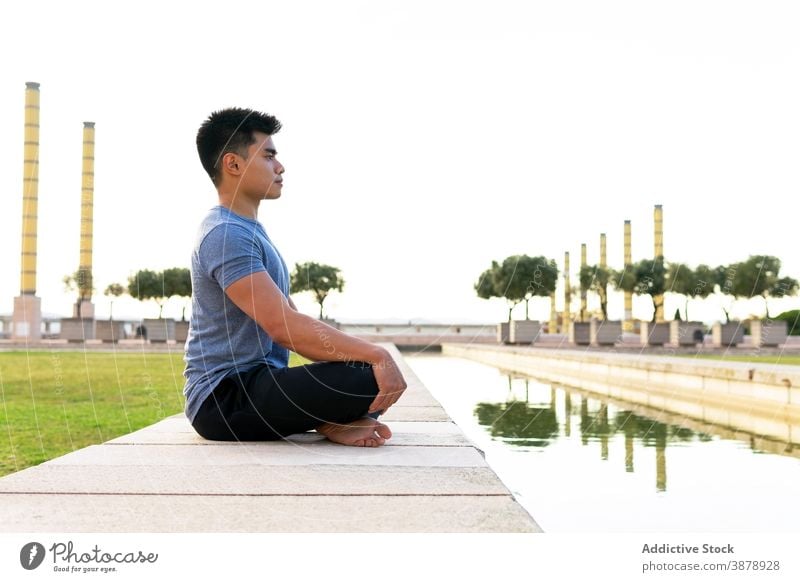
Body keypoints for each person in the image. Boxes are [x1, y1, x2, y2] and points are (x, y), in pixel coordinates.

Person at [183, 107, 407, 447]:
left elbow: (297, 323)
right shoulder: (225, 234)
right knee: (369, 374)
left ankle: (330, 421)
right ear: (234, 164)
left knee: (364, 371)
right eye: (269, 155)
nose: (280, 166)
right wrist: (377, 356)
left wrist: (365, 358)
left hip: (258, 382)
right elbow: (283, 327)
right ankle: (331, 419)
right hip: (223, 398)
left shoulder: (248, 231)